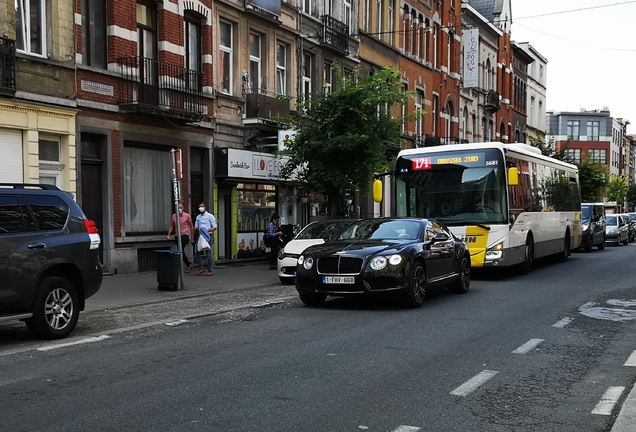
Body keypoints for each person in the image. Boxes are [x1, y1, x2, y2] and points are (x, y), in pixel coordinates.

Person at [166, 203, 195, 272]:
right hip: (177, 235)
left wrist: (192, 237)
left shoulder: (187, 216)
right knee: (180, 251)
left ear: (183, 208)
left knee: (181, 249)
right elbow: (172, 225)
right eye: (178, 208)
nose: (180, 209)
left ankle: (183, 265)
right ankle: (188, 264)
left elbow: (191, 226)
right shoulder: (174, 216)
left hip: (185, 234)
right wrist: (168, 234)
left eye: (181, 208)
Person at [194, 202, 217, 276]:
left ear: (205, 207)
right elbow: (195, 227)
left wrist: (207, 230)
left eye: (202, 206)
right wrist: (198, 229)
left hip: (208, 236)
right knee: (197, 252)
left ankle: (210, 270)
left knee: (208, 254)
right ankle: (201, 268)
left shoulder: (210, 216)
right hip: (200, 236)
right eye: (199, 206)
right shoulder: (198, 217)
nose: (200, 208)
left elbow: (215, 226)